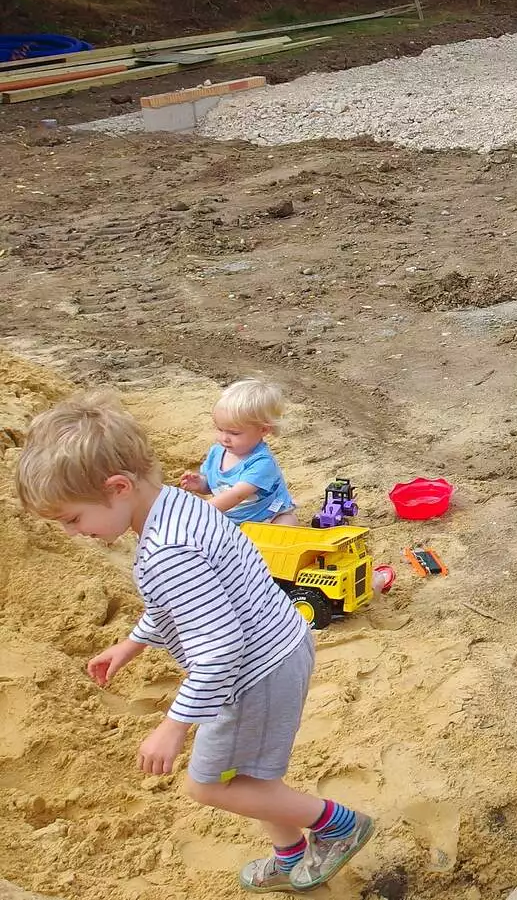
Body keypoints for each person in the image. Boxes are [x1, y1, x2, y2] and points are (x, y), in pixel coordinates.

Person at [14, 391, 373, 892]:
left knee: (209, 784)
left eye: (74, 519)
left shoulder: (167, 551)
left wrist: (173, 724)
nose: (77, 534)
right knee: (249, 778)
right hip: (271, 651)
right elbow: (186, 606)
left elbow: (219, 645)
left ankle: (337, 825)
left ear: (118, 487)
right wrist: (133, 643)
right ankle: (291, 856)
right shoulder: (175, 504)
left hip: (255, 672)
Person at [180, 379, 298, 525]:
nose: (224, 438)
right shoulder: (216, 453)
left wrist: (201, 511)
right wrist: (200, 484)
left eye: (234, 433)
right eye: (220, 429)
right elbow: (215, 486)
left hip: (266, 516)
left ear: (263, 430)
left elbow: (237, 495)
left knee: (286, 524)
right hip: (231, 518)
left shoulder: (262, 463)